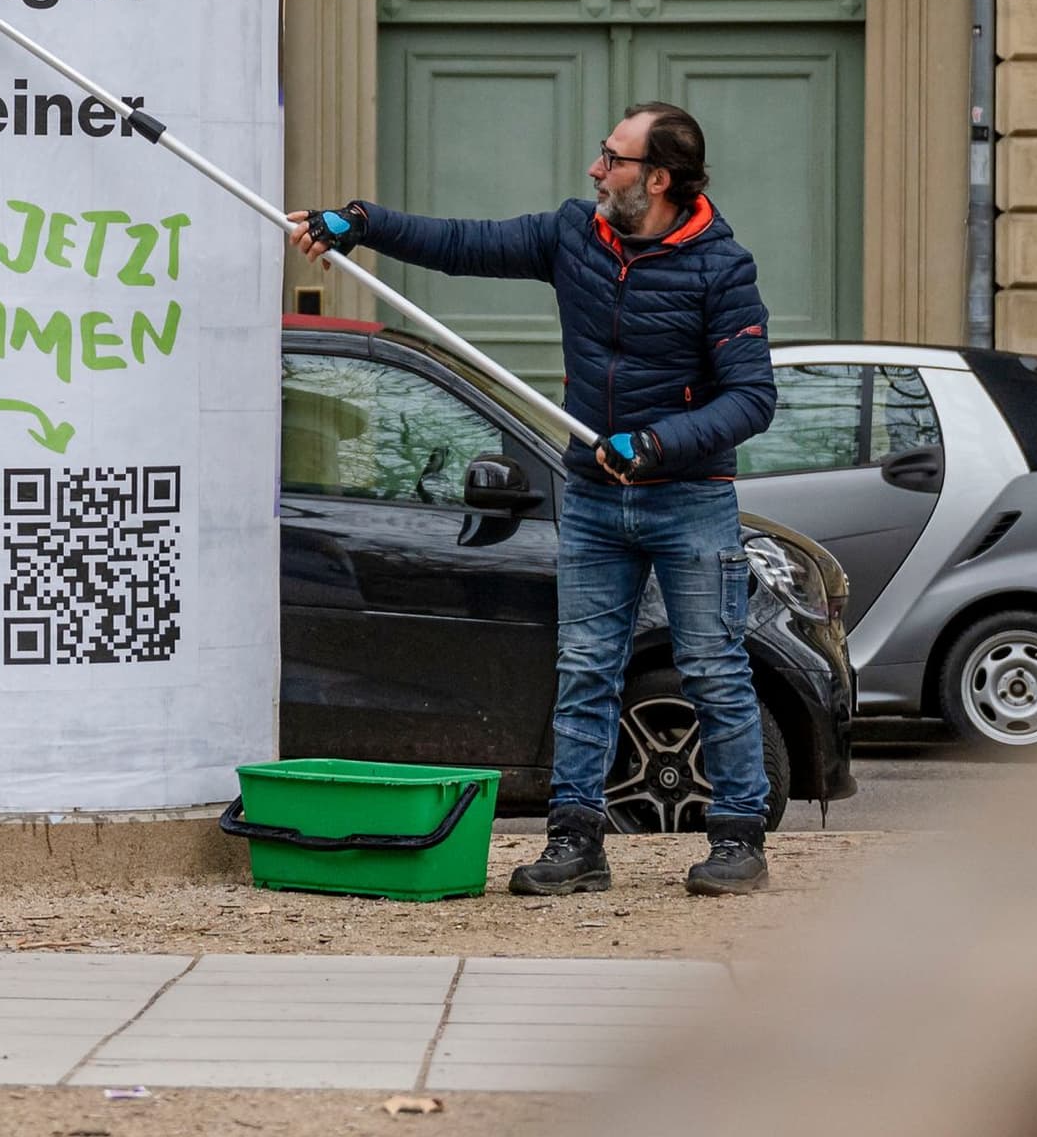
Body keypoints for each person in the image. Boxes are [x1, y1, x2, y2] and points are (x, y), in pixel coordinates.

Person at [289, 106, 781, 896]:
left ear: (657, 179)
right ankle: (575, 843)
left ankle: (736, 840)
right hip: (593, 496)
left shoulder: (721, 270)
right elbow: (462, 245)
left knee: (712, 669)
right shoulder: (573, 236)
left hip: (687, 498)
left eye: (611, 160)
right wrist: (362, 223)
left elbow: (752, 399)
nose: (594, 170)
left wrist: (655, 444)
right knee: (585, 668)